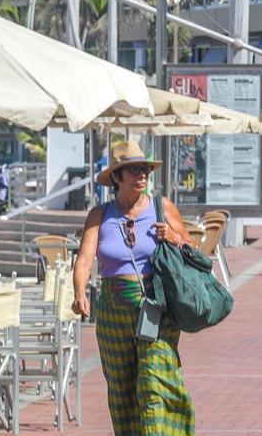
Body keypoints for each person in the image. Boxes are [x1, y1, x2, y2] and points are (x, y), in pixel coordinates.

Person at [72, 140, 195, 435]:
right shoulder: (100, 215)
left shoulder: (161, 208)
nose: (142, 175)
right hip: (113, 310)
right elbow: (85, 259)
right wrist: (79, 293)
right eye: (133, 170)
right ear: (116, 177)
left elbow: (193, 246)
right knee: (122, 389)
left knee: (155, 382)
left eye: (145, 170)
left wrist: (174, 238)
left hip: (155, 306)